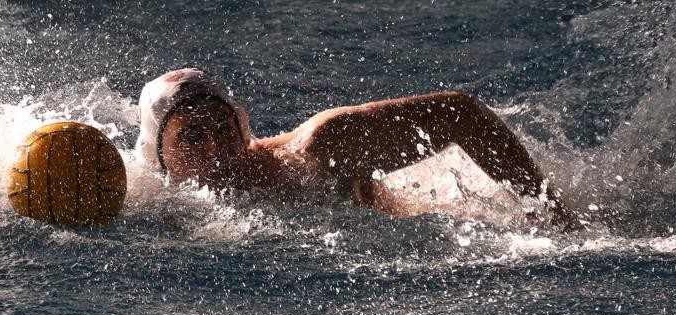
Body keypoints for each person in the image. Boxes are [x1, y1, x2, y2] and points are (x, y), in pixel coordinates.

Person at [136, 68, 580, 230]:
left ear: (241, 125)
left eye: (223, 127)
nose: (216, 147)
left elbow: (461, 114)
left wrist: (552, 214)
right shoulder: (148, 197)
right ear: (158, 154)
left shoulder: (317, 150)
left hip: (438, 218)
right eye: (193, 136)